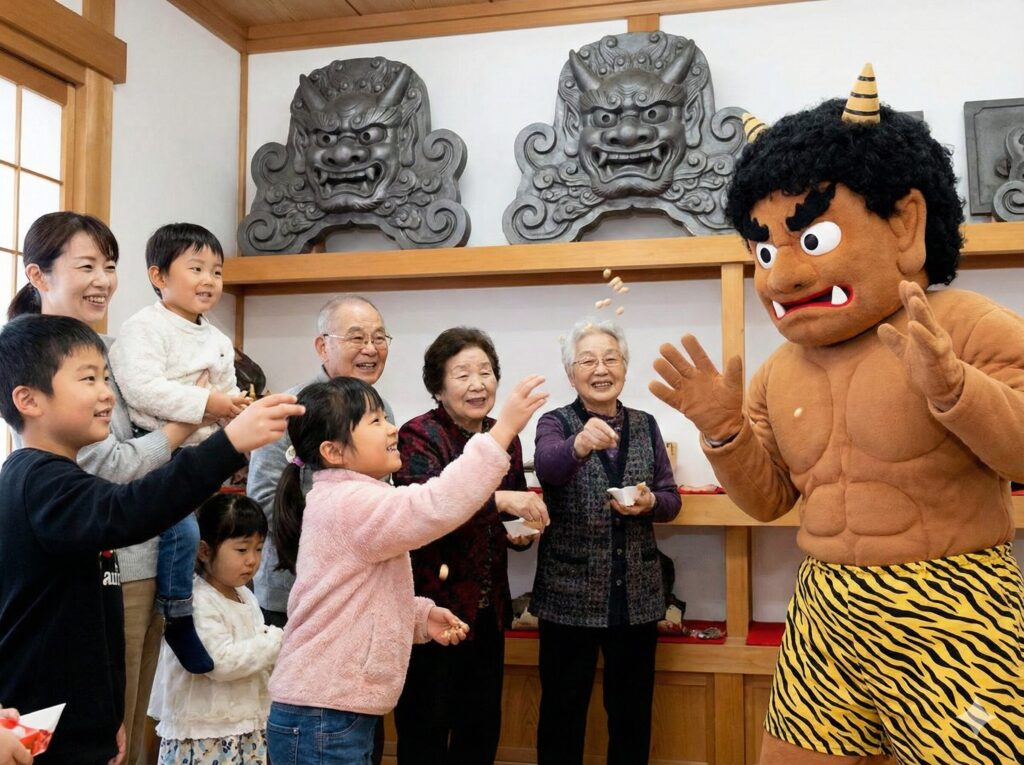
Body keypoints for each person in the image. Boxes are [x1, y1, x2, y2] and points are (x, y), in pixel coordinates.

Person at [651, 69, 1024, 764]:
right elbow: (770, 501)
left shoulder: (965, 325)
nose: (780, 276)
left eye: (812, 240)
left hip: (953, 603)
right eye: (764, 250)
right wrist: (725, 432)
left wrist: (956, 390)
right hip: (824, 607)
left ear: (906, 223)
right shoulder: (776, 371)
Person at [0, 313, 302, 765]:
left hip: (81, 720)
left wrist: (108, 715)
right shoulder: (37, 481)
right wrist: (227, 444)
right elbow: (133, 509)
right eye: (88, 378)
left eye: (106, 378)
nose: (107, 393)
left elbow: (99, 627)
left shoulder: (65, 480)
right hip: (37, 726)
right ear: (28, 400)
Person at [266, 375, 548, 765]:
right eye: (374, 421)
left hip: (329, 708)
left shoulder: (353, 497)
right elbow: (437, 504)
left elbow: (358, 597)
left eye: (385, 417)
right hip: (322, 714)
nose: (391, 428)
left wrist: (418, 616)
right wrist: (502, 432)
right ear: (333, 451)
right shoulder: (349, 502)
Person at [8, 211, 202, 765]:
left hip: (146, 557)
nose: (103, 281)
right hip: (100, 562)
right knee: (96, 732)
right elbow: (112, 467)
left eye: (110, 266)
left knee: (129, 722)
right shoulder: (32, 359)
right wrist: (188, 424)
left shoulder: (119, 349)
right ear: (38, 275)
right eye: (86, 266)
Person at [392, 327, 550, 765]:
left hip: (487, 611)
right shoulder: (418, 435)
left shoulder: (505, 436)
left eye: (485, 372)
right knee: (425, 732)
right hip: (432, 610)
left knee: (479, 733)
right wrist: (501, 501)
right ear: (438, 387)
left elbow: (507, 515)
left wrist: (519, 533)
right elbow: (427, 512)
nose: (478, 384)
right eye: (462, 374)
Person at [533, 318, 680, 765]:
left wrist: (650, 502)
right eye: (588, 361)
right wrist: (579, 444)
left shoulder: (646, 424)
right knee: (561, 716)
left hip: (636, 597)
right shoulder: (554, 423)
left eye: (611, 359)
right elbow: (548, 468)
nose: (601, 369)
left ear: (624, 367)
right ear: (571, 373)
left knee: (632, 717)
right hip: (568, 597)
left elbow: (671, 499)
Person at [109, 223, 250, 676]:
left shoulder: (217, 339)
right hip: (153, 445)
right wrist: (206, 403)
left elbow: (228, 391)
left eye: (217, 271)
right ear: (159, 276)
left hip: (199, 457)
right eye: (196, 269)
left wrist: (238, 411)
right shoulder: (143, 328)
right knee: (182, 533)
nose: (209, 280)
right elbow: (141, 389)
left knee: (209, 535)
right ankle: (177, 615)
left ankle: (198, 609)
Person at [247, 295, 393, 629]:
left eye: (379, 338)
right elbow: (264, 504)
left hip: (360, 589)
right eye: (357, 337)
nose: (370, 349)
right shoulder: (289, 410)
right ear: (323, 347)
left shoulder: (382, 409)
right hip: (294, 593)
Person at [148, 494, 283, 765]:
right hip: (205, 733)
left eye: (258, 549)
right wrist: (276, 641)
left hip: (245, 725)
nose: (252, 560)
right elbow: (220, 662)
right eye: (242, 550)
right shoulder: (198, 600)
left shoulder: (246, 595)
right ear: (204, 551)